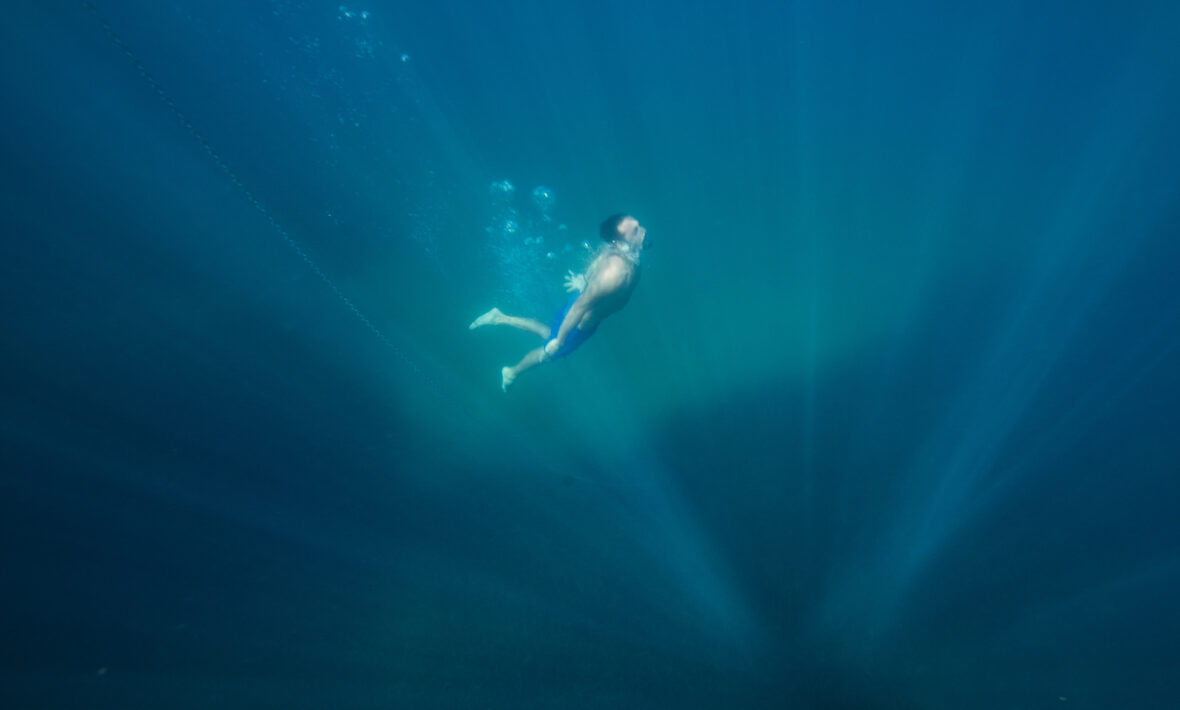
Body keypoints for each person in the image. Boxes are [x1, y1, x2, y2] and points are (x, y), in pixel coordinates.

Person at [469, 214, 648, 392]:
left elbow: (600, 257)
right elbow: (580, 307)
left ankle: (500, 317)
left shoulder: (622, 253)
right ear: (619, 242)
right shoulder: (613, 275)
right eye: (635, 232)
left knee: (549, 334)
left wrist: (584, 279)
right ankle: (512, 371)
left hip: (582, 311)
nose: (643, 231)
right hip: (580, 322)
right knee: (549, 352)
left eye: (639, 225)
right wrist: (560, 341)